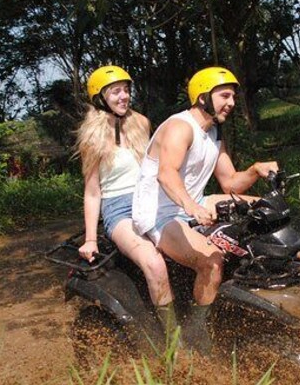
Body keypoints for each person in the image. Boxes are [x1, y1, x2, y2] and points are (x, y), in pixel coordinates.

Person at [133, 66, 278, 350]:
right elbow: (167, 174)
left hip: (193, 203)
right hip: (160, 215)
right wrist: (191, 207)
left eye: (234, 97)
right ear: (202, 97)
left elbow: (231, 183)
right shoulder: (179, 127)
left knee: (265, 207)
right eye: (225, 95)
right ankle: (196, 333)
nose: (232, 103)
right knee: (211, 263)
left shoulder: (212, 134)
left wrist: (255, 169)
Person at [75, 65, 176, 338]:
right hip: (118, 208)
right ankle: (172, 342)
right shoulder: (92, 137)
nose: (124, 96)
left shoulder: (141, 122)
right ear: (100, 97)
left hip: (154, 199)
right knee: (154, 263)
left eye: (126, 90)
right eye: (115, 91)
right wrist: (91, 239)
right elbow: (93, 191)